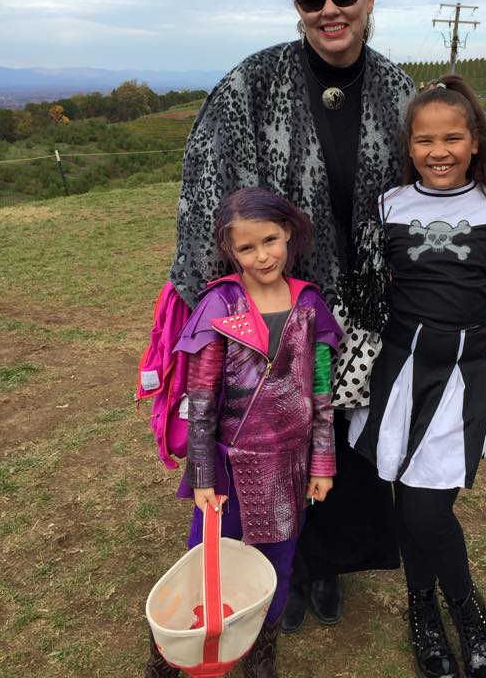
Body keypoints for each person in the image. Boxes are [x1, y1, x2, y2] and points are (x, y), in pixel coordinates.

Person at [144, 0, 413, 677]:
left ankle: (327, 568)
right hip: (274, 307)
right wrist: (213, 292)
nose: (330, 9)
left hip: (361, 307)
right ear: (296, 5)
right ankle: (277, 573)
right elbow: (205, 175)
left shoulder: (399, 90)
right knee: (267, 442)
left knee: (341, 440)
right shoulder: (252, 83)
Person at [348, 77, 486, 678]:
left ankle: (464, 608)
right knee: (406, 496)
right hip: (398, 375)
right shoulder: (391, 205)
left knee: (428, 509)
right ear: (409, 146)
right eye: (424, 140)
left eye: (453, 137)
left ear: (477, 140)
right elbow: (366, 294)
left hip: (463, 374)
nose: (439, 150)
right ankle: (421, 608)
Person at [176, 188, 343, 677]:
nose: (262, 255)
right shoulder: (219, 304)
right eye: (246, 248)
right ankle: (173, 656)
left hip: (288, 469)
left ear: (287, 233)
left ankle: (261, 654)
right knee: (206, 564)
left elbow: (322, 393)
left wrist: (323, 464)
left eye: (270, 240)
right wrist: (205, 476)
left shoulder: (310, 304)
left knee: (277, 566)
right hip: (226, 469)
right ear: (230, 251)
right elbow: (201, 402)